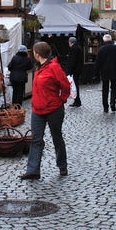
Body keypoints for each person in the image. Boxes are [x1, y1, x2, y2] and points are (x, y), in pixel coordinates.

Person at [20, 41, 70, 180]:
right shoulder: (38, 68)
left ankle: (62, 165)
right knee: (36, 140)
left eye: (33, 52)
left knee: (57, 137)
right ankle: (33, 170)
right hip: (37, 110)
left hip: (53, 109)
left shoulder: (54, 67)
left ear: (37, 53)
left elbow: (65, 85)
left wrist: (61, 100)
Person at [95, 34, 116, 112]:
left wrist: (96, 73)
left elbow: (98, 62)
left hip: (104, 72)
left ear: (104, 40)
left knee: (105, 89)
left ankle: (105, 106)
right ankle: (112, 101)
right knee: (114, 88)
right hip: (114, 71)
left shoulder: (101, 49)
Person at [63, 37, 83, 107]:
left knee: (74, 85)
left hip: (74, 71)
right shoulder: (79, 48)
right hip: (78, 70)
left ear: (70, 42)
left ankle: (77, 100)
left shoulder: (73, 49)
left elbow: (72, 61)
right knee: (75, 85)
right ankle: (77, 100)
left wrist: (68, 71)